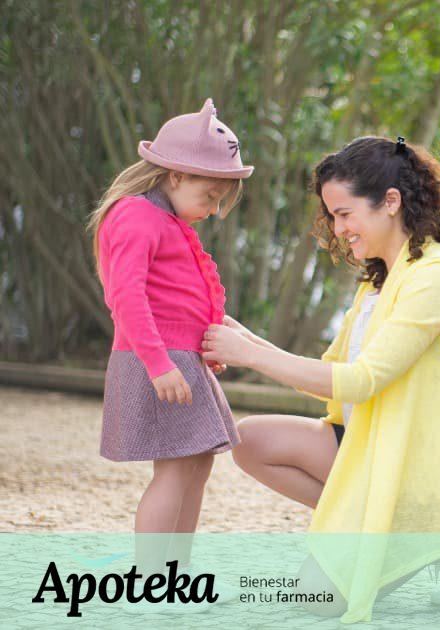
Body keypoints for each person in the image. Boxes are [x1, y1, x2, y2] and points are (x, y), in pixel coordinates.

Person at [201, 136, 440, 623]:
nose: (339, 228)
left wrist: (251, 356)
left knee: (316, 600)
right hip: (372, 442)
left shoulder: (436, 278)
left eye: (345, 213)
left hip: (427, 466)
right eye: (333, 216)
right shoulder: (378, 279)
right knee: (249, 440)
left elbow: (362, 381)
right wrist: (246, 342)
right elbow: (331, 375)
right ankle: (379, 530)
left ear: (390, 202)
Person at [87, 98, 251, 611]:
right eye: (210, 194)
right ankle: (153, 581)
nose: (214, 209)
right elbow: (127, 298)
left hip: (181, 357)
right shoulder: (136, 216)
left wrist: (202, 347)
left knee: (196, 465)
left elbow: (178, 294)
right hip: (156, 359)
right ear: (176, 175)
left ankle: (175, 576)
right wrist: (159, 364)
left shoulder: (170, 221)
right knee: (176, 470)